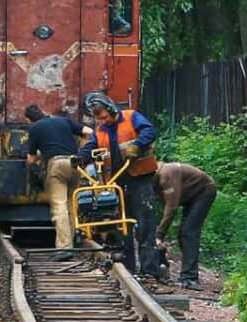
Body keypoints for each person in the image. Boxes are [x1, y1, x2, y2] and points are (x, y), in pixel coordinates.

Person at [80, 92, 164, 280]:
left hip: (139, 177)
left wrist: (138, 145)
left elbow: (149, 131)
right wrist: (80, 157)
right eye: (98, 117)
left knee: (145, 223)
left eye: (103, 115)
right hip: (116, 180)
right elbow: (91, 146)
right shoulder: (100, 130)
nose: (102, 119)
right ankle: (128, 268)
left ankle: (150, 270)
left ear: (110, 109)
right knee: (120, 224)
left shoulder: (131, 116)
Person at [23, 103, 87, 249]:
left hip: (57, 165)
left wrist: (36, 159)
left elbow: (31, 159)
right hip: (75, 163)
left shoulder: (35, 128)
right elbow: (88, 131)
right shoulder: (63, 120)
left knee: (59, 205)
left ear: (28, 120)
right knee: (72, 202)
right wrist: (83, 152)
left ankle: (64, 247)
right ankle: (76, 234)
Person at [155, 161, 218, 286]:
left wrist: (159, 235)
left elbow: (171, 208)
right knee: (183, 233)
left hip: (203, 191)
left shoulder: (166, 176)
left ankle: (190, 277)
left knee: (188, 232)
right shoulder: (156, 180)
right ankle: (185, 273)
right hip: (189, 195)